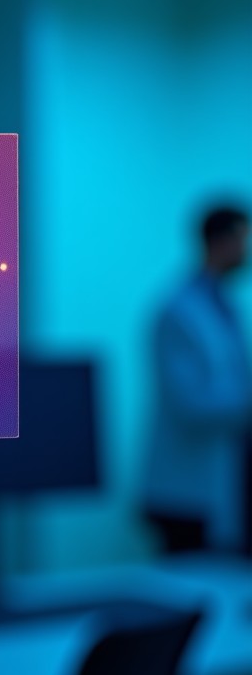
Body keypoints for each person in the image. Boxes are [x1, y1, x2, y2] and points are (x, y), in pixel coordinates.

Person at [142, 203, 252, 555]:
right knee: (189, 590)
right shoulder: (178, 311)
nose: (247, 251)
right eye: (243, 240)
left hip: (217, 484)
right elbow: (192, 405)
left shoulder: (223, 306)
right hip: (183, 490)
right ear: (220, 242)